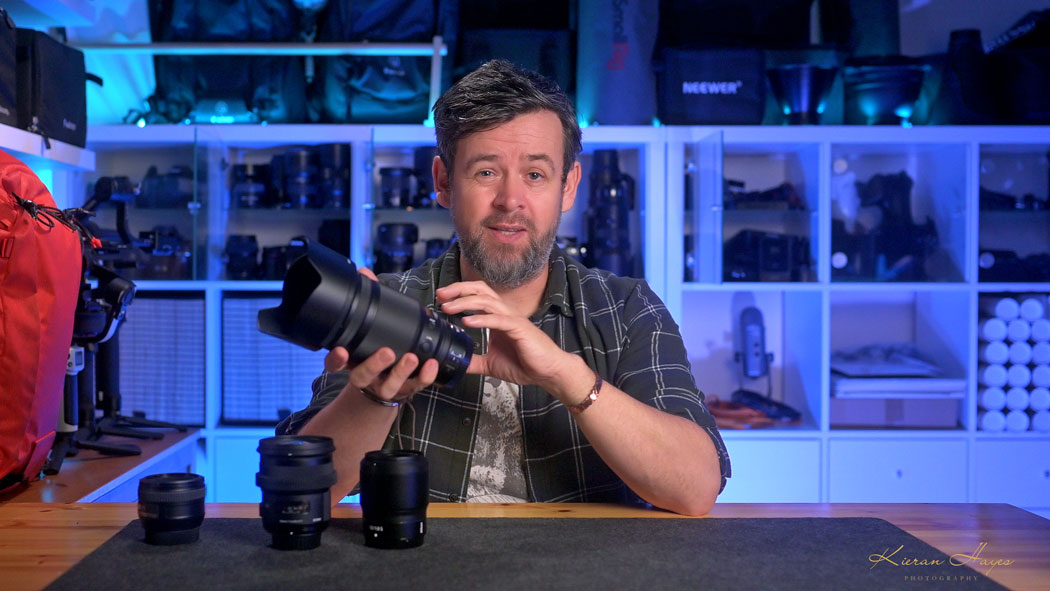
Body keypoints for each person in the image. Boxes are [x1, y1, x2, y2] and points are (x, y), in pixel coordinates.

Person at [277, 59, 730, 516]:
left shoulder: (626, 308)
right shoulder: (393, 303)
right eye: (486, 172)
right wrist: (375, 396)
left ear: (568, 186)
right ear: (443, 182)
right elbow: (302, 496)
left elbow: (695, 489)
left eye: (535, 174)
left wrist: (563, 374)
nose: (510, 200)